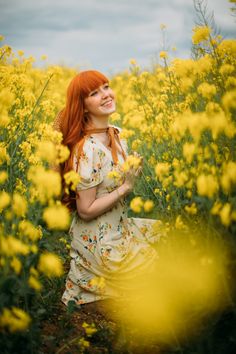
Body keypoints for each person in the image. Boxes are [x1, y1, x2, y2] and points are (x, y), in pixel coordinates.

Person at [53, 70, 160, 307]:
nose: (106, 94)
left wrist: (130, 170)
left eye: (106, 87)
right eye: (94, 93)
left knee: (168, 235)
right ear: (82, 107)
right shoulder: (86, 150)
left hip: (120, 227)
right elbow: (85, 210)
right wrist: (127, 187)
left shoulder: (117, 134)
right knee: (163, 268)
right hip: (102, 244)